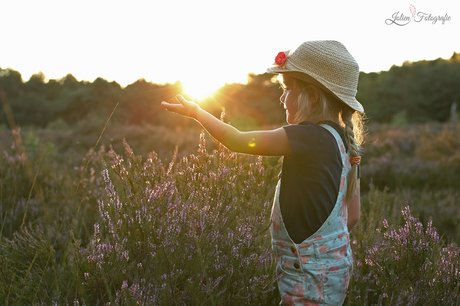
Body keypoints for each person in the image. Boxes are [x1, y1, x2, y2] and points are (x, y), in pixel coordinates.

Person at [161, 40, 365, 305]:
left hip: (306, 278)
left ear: (312, 96)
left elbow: (237, 140)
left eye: (287, 89)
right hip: (335, 273)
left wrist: (198, 113)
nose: (282, 98)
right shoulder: (346, 143)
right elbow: (353, 216)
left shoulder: (306, 137)